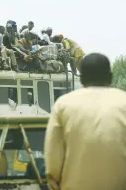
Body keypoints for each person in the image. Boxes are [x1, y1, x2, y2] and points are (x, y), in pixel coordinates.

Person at [44, 53, 126, 190]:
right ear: (110, 78)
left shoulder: (63, 104)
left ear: (81, 79)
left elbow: (53, 162)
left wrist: (55, 182)